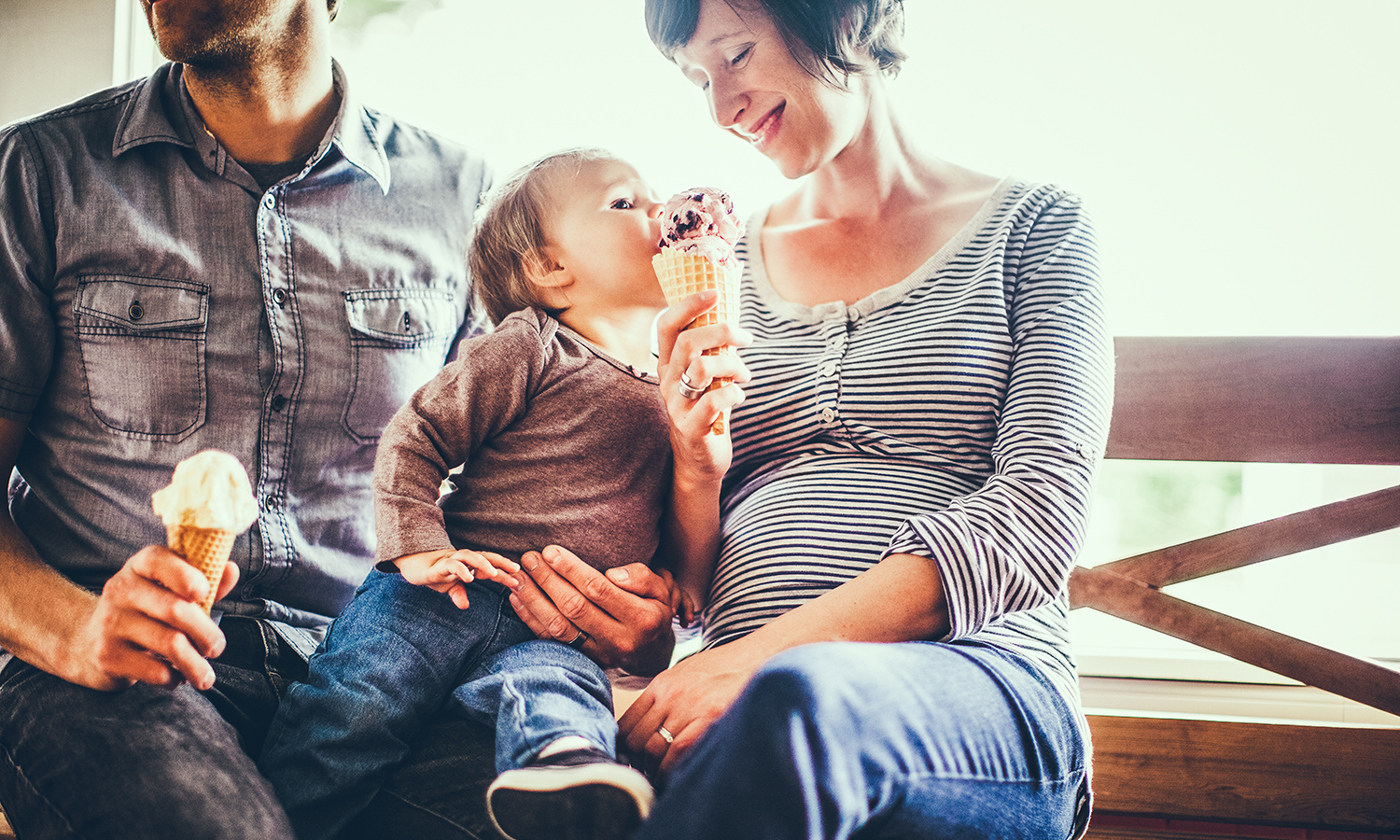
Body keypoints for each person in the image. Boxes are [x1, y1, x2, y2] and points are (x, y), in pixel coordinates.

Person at [501, 1, 1115, 837]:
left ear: (842, 18)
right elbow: (687, 585)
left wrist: (755, 659)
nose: (721, 107)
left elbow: (1039, 519)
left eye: (736, 54)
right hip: (727, 704)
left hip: (978, 684)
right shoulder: (716, 270)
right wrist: (696, 464)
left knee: (794, 708)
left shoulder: (1037, 230)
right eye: (696, 78)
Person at [0, 0, 497, 837]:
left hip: (377, 680)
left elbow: (501, 492)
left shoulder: (463, 196)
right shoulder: (40, 173)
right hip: (110, 682)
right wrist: (78, 631)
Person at [259, 148, 734, 840]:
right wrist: (417, 550)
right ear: (549, 268)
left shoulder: (674, 388)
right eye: (625, 204)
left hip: (556, 630)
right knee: (354, 708)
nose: (660, 213)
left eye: (653, 195)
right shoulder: (531, 345)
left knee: (559, 699)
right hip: (445, 592)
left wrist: (683, 583)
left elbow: (681, 549)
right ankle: (276, 824)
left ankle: (568, 785)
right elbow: (417, 436)